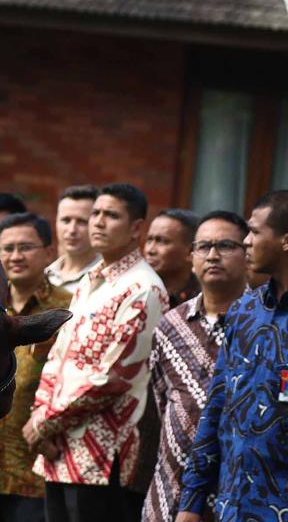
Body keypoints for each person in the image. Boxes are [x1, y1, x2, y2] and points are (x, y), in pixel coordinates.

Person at [24, 183, 167, 522]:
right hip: (57, 447)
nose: (98, 222)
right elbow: (57, 357)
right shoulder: (91, 281)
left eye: (111, 216)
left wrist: (43, 424)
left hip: (102, 453)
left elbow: (114, 377)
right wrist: (39, 417)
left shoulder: (143, 288)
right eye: (96, 214)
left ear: (136, 229)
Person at [176, 190, 288, 522]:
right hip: (233, 505)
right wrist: (191, 502)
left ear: (285, 241)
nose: (247, 242)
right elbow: (217, 406)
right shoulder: (245, 310)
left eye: (254, 232)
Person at [142, 211, 249, 522]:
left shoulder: (261, 324)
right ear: (191, 256)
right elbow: (161, 403)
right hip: (168, 488)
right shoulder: (169, 325)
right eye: (204, 246)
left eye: (226, 246)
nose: (213, 255)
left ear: (247, 253)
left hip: (233, 493)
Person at [0, 213, 73, 521]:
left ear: (48, 251)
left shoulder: (68, 306)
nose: (15, 256)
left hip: (36, 470)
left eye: (26, 247)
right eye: (7, 248)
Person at [128, 208, 202, 507]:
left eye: (163, 241)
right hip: (136, 436)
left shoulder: (199, 304)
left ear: (188, 252)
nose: (151, 248)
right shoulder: (139, 292)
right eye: (150, 240)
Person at [46, 185, 102, 292]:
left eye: (82, 222)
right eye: (66, 220)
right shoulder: (43, 277)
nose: (72, 230)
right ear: (56, 222)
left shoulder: (107, 280)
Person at [143, 209, 201, 307]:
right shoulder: (134, 289)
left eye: (162, 241)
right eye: (149, 240)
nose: (150, 250)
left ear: (191, 251)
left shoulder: (205, 300)